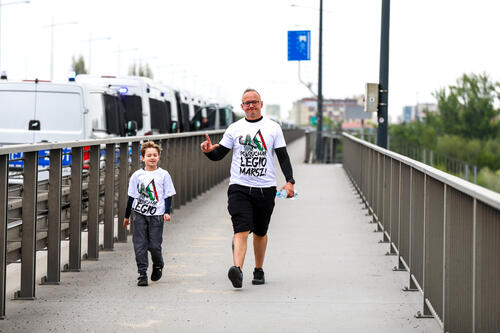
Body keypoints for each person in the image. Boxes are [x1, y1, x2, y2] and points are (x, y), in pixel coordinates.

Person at [200, 88, 295, 288]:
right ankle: (237, 270)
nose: (251, 105)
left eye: (254, 101)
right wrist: (209, 152)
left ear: (261, 104)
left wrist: (290, 181)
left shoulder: (273, 128)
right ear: (242, 106)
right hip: (239, 187)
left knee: (260, 232)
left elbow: (283, 156)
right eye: (247, 102)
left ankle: (258, 269)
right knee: (241, 228)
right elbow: (220, 155)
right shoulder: (234, 128)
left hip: (265, 188)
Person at [123, 141, 176, 286]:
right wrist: (126, 216)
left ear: (159, 157)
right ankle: (142, 274)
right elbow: (131, 196)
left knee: (154, 245)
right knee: (139, 245)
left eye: (155, 155)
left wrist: (166, 212)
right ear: (143, 158)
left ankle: (158, 264)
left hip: (157, 215)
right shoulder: (137, 175)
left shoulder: (164, 175)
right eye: (148, 155)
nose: (152, 157)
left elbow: (168, 195)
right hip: (139, 214)